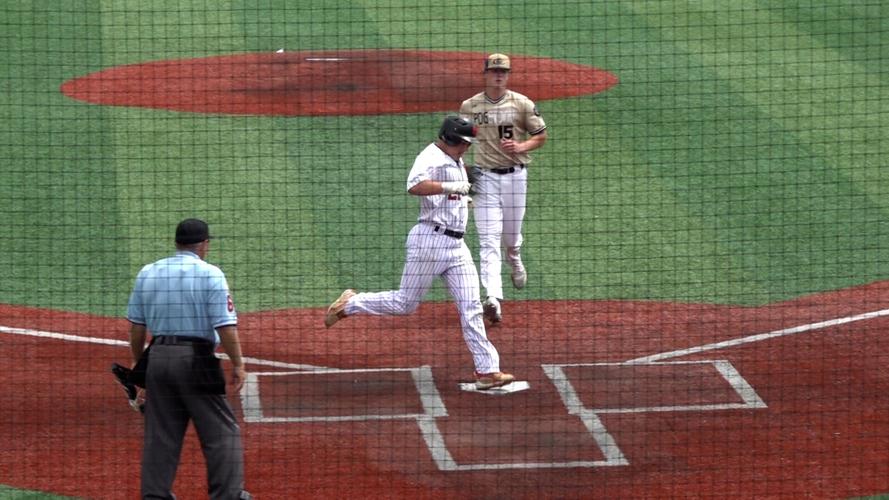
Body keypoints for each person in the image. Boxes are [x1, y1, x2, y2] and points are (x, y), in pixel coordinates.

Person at [324, 116, 515, 390]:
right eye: (464, 143)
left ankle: (487, 371)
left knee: (471, 307)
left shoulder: (454, 158)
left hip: (456, 247)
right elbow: (414, 186)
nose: (467, 148)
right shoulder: (430, 157)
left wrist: (462, 200)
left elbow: (451, 193)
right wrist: (453, 188)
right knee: (405, 304)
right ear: (450, 140)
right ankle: (350, 304)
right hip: (429, 242)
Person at [126, 218, 251, 500]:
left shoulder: (149, 272)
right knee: (222, 433)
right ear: (204, 244)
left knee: (161, 436)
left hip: (156, 358)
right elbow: (225, 326)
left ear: (177, 243)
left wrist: (138, 364)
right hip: (196, 361)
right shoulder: (211, 274)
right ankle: (228, 495)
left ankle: (155, 496)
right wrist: (239, 364)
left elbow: (136, 327)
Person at [460, 53, 548, 323]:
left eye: (504, 71)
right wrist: (462, 170)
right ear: (484, 74)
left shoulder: (521, 103)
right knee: (488, 241)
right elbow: (459, 141)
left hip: (515, 178)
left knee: (510, 236)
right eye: (494, 71)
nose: (499, 75)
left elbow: (540, 135)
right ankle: (493, 298)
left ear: (508, 75)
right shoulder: (470, 106)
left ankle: (515, 256)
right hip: (485, 180)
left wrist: (521, 147)